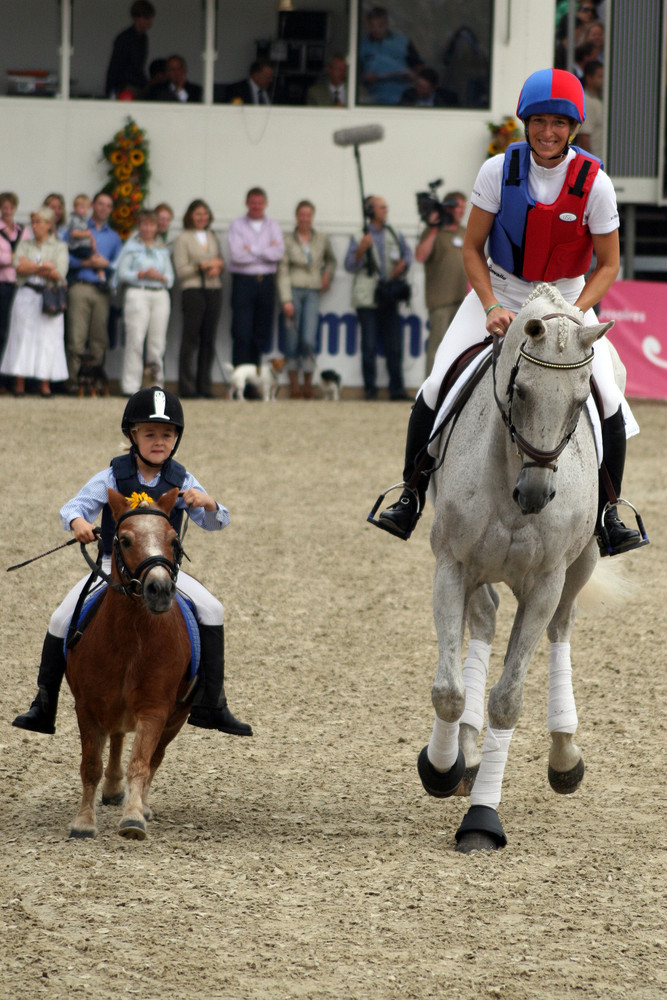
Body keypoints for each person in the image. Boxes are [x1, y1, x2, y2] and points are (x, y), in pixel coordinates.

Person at [374, 68, 645, 558]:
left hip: (567, 297)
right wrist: (492, 305)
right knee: (437, 384)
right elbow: (472, 249)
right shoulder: (497, 171)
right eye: (539, 121)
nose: (548, 132)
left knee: (607, 397)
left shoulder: (596, 184)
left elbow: (609, 265)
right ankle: (410, 494)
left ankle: (610, 512)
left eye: (559, 123)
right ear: (525, 122)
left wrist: (572, 315)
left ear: (574, 127)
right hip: (503, 288)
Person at [12, 386, 252, 738]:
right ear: (132, 435)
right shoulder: (113, 475)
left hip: (163, 569)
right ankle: (43, 704)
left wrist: (209, 502)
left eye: (167, 435)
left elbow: (217, 522)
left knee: (213, 609)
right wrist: (79, 523)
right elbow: (74, 507)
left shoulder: (182, 480)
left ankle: (212, 702)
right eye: (150, 434)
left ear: (176, 439)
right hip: (115, 566)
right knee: (61, 617)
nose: (159, 441)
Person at [344, 195, 412, 401]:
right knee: (369, 346)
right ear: (371, 211)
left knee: (394, 345)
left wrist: (403, 265)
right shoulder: (359, 236)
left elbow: (407, 254)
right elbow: (348, 265)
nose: (386, 211)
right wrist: (360, 251)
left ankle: (397, 390)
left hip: (388, 294)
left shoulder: (393, 233)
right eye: (382, 208)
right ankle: (370, 390)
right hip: (367, 297)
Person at [0, 205, 68, 398]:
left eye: (38, 222)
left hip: (49, 297)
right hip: (25, 295)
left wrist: (32, 266)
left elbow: (59, 272)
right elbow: (18, 267)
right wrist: (42, 265)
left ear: (48, 224)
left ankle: (44, 384)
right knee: (22, 336)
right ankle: (19, 383)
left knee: (48, 338)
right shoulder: (25, 244)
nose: (34, 225)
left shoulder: (59, 246)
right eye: (33, 222)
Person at [277, 200, 337, 398]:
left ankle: (308, 384)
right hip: (293, 289)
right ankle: (294, 385)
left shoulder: (321, 238)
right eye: (301, 215)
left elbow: (331, 260)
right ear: (296, 216)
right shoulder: (287, 240)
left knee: (308, 339)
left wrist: (327, 274)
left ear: (312, 217)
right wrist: (286, 299)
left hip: (312, 291)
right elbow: (283, 270)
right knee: (292, 338)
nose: (304, 218)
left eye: (308, 215)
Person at [65, 191, 122, 393]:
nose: (103, 208)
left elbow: (119, 265)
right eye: (100, 204)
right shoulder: (77, 227)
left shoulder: (114, 237)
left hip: (101, 290)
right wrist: (85, 262)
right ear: (92, 206)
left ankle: (96, 382)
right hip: (80, 285)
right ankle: (73, 382)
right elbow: (63, 255)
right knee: (76, 337)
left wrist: (106, 264)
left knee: (99, 338)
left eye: (108, 205)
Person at [113, 208, 174, 395]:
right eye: (144, 224)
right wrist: (141, 274)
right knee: (135, 339)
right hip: (137, 292)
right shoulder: (131, 247)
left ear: (157, 227)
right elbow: (122, 272)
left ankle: (155, 385)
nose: (148, 228)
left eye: (151, 224)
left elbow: (171, 278)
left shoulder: (161, 249)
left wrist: (160, 277)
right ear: (139, 226)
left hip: (159, 294)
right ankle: (130, 386)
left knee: (157, 343)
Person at [172, 199, 225, 398]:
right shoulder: (183, 238)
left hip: (213, 289)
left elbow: (219, 261)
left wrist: (217, 266)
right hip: (193, 291)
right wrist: (203, 266)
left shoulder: (212, 236)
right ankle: (187, 386)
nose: (202, 217)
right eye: (197, 214)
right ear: (190, 216)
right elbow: (181, 270)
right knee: (190, 339)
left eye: (205, 213)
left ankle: (205, 385)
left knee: (208, 340)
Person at [227, 187, 284, 368]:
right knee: (241, 332)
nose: (256, 206)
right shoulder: (237, 225)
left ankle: (254, 381)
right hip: (243, 282)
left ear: (265, 204)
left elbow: (278, 253)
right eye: (253, 202)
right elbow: (236, 256)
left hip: (266, 282)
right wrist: (265, 250)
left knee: (260, 333)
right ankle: (239, 379)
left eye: (259, 203)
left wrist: (250, 249)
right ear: (247, 203)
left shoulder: (273, 226)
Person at [415, 191, 468, 377]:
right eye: (458, 207)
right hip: (441, 300)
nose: (461, 211)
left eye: (463, 207)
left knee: (460, 347)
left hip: (463, 300)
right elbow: (420, 256)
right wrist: (433, 228)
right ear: (448, 208)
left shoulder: (465, 232)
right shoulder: (433, 232)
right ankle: (429, 387)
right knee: (437, 344)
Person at [358, 6, 422, 106]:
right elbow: (354, 74)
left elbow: (419, 66)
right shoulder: (361, 45)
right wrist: (364, 78)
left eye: (380, 25)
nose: (376, 29)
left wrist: (413, 75)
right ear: (367, 24)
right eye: (372, 25)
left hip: (403, 99)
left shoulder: (403, 42)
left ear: (387, 23)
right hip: (371, 100)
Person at [105, 0, 156, 98]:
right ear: (136, 18)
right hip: (126, 86)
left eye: (150, 18)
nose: (149, 21)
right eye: (146, 18)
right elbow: (116, 66)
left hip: (136, 83)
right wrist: (110, 90)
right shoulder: (125, 38)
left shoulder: (143, 38)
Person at [0, 191, 23, 391]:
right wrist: (15, 260)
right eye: (4, 207)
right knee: (1, 331)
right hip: (2, 285)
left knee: (13, 332)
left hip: (19, 287)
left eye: (10, 207)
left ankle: (10, 379)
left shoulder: (21, 230)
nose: (7, 211)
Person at [578, 60, 604, 159]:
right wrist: (589, 164)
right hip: (595, 163)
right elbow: (583, 136)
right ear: (589, 78)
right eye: (600, 76)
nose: (604, 80)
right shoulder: (586, 101)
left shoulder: (600, 100)